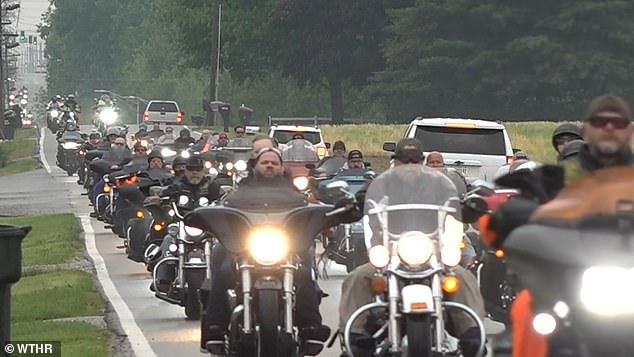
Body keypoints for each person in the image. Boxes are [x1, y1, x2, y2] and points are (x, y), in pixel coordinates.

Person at [486, 95, 634, 357]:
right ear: (587, 129)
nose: (609, 128)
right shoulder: (558, 176)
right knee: (527, 308)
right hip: (569, 280)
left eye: (618, 123)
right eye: (600, 122)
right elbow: (512, 209)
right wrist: (512, 215)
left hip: (628, 273)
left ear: (629, 130)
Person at [339, 138, 485, 357]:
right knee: (358, 277)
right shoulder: (381, 184)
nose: (410, 165)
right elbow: (363, 198)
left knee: (463, 278)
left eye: (415, 160)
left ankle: (474, 338)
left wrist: (470, 206)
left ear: (422, 161)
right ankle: (354, 341)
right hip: (389, 254)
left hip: (431, 253)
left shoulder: (438, 185)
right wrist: (354, 203)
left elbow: (457, 204)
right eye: (404, 160)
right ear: (395, 161)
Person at [205, 148, 331, 354]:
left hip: (286, 249)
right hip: (246, 249)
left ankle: (310, 328)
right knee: (224, 267)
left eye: (274, 162)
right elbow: (223, 211)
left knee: (305, 270)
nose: (270, 165)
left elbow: (310, 215)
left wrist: (326, 218)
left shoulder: (297, 196)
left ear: (282, 168)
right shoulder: (237, 194)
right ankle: (215, 328)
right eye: (265, 162)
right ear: (254, 167)